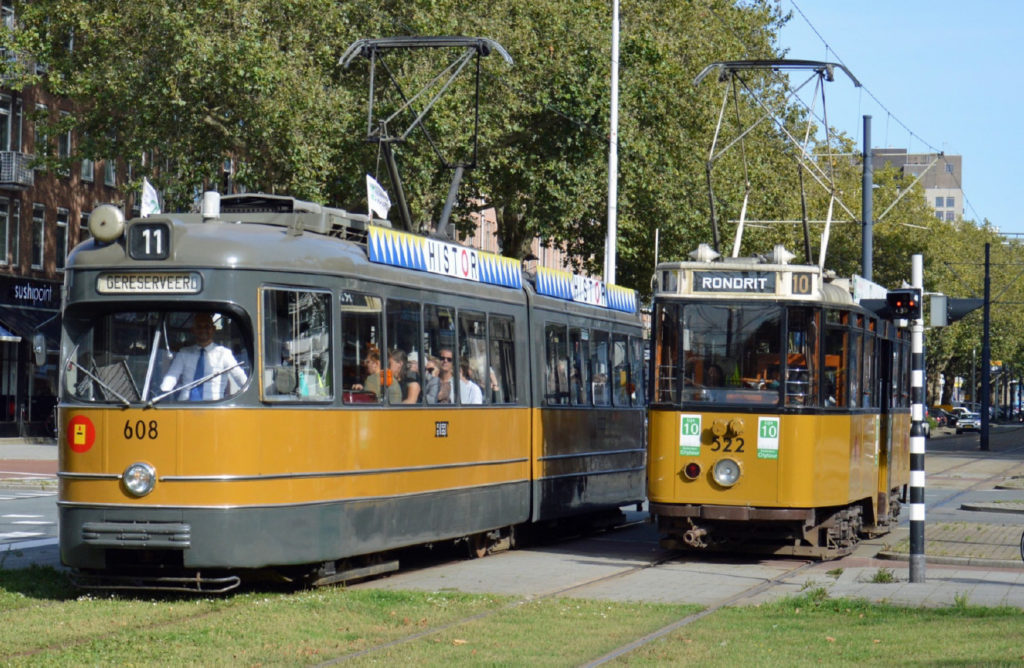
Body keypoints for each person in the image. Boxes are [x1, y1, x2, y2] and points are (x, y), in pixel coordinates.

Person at [160, 313, 247, 401]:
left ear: (213, 329)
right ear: (193, 330)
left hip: (214, 407)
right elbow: (171, 376)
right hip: (185, 406)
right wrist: (162, 395)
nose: (203, 330)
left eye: (207, 326)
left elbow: (239, 376)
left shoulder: (224, 353)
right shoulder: (184, 353)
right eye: (199, 327)